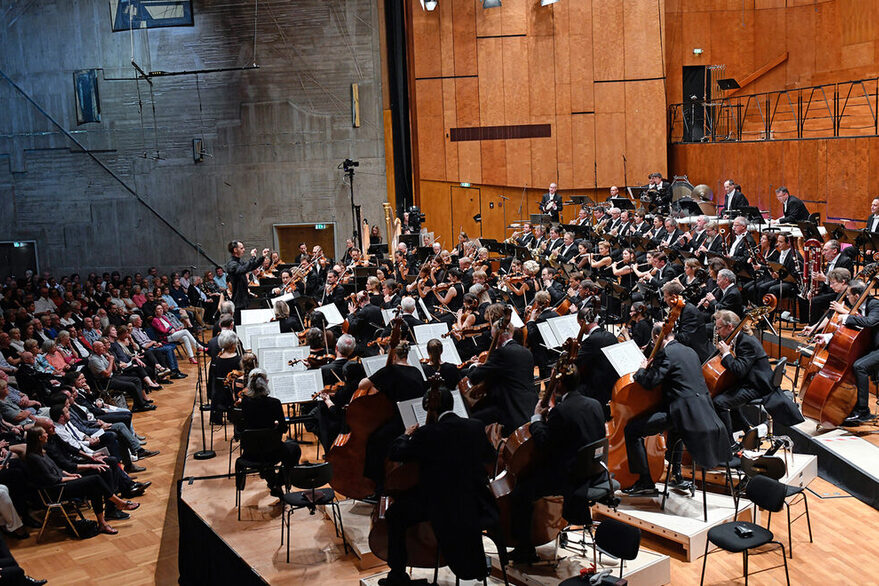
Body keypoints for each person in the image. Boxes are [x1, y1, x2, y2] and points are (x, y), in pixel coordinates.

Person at [381, 387, 498, 586]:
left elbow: (396, 453)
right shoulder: (475, 426)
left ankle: (397, 575)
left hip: (439, 505)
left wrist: (406, 435)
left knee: (394, 515)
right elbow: (490, 458)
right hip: (474, 501)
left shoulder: (427, 433)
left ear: (430, 408)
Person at [508, 365, 606, 563]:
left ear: (559, 384)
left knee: (520, 491)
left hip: (571, 477)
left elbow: (545, 444)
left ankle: (525, 549)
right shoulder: (595, 404)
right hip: (595, 471)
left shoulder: (561, 411)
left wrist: (536, 419)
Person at [622, 324, 729, 496]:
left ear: (658, 338)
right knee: (674, 431)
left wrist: (641, 370)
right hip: (703, 412)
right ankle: (676, 475)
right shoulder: (690, 351)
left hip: (682, 414)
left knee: (632, 430)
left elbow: (650, 382)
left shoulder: (666, 353)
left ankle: (645, 482)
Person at [25, 426, 139, 536]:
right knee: (95, 480)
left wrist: (70, 474)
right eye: (44, 433)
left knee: (96, 486)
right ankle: (118, 503)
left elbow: (58, 469)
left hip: (63, 482)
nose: (46, 434)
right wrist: (71, 478)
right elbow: (51, 479)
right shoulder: (33, 457)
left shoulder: (42, 452)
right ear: (39, 438)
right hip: (57, 490)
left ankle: (102, 523)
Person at [467, 309, 538, 435]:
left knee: (472, 421)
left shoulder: (502, 353)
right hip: (529, 406)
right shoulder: (526, 352)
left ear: (499, 336)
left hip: (509, 408)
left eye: (493, 337)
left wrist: (474, 366)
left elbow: (475, 377)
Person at [710, 310, 775, 446]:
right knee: (725, 395)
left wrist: (726, 354)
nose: (717, 332)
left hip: (757, 385)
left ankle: (730, 444)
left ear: (730, 327)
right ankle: (748, 430)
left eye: (719, 328)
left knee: (720, 402)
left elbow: (739, 370)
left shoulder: (746, 342)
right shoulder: (738, 339)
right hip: (748, 381)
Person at [239, 369, 302, 497]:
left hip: (250, 451)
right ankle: (277, 482)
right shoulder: (274, 403)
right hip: (273, 450)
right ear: (266, 384)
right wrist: (275, 427)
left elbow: (245, 425)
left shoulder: (245, 402)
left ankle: (273, 482)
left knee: (264, 452)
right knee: (294, 449)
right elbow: (284, 429)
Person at [827, 281, 879, 426]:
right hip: (871, 346)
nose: (847, 297)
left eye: (848, 295)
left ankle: (863, 411)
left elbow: (871, 322)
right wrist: (828, 337)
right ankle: (852, 404)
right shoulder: (857, 306)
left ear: (856, 296)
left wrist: (848, 317)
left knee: (859, 366)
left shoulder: (874, 304)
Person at [226, 241, 270, 323]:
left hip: (244, 298)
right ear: (235, 250)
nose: (244, 250)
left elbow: (251, 266)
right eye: (241, 248)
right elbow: (243, 269)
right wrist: (252, 257)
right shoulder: (231, 264)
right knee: (239, 324)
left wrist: (262, 257)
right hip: (238, 299)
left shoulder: (239, 261)